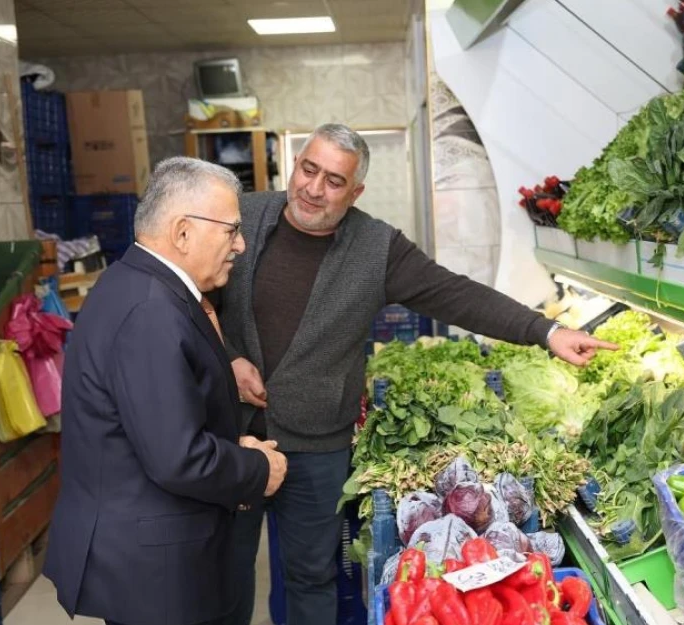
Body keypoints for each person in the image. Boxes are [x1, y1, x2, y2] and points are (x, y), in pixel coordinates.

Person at [216, 123, 616, 625]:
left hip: (316, 445)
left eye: (334, 181)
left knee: (310, 577)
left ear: (356, 191)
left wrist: (545, 332)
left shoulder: (376, 248)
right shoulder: (242, 217)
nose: (314, 189)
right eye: (308, 169)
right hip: (225, 433)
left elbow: (456, 294)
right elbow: (193, 296)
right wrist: (228, 357)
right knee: (221, 574)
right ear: (295, 166)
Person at [43, 157, 289, 625]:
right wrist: (257, 467)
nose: (239, 245)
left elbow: (155, 425)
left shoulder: (134, 282)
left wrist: (230, 444)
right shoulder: (151, 310)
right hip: (154, 570)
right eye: (231, 230)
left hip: (150, 554)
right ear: (182, 233)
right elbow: (178, 458)